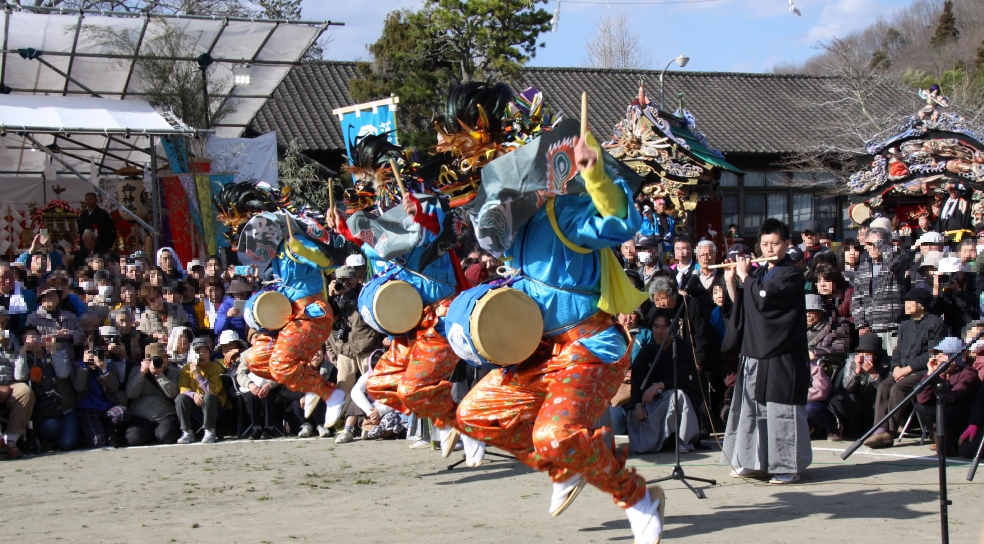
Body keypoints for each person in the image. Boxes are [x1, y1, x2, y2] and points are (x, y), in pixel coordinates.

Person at [447, 82, 663, 544]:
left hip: (587, 348)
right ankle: (564, 462)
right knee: (473, 416)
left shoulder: (564, 211)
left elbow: (622, 222)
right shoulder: (514, 224)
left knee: (553, 433)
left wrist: (595, 174)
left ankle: (637, 495)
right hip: (536, 351)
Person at [721, 218, 811, 484]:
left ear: (786, 245)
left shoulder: (792, 274)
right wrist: (732, 283)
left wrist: (746, 277)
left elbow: (765, 298)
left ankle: (786, 466)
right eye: (764, 243)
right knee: (751, 409)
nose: (769, 248)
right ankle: (751, 461)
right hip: (755, 351)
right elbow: (747, 307)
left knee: (780, 411)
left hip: (783, 354)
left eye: (775, 243)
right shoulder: (759, 274)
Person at [864, 287, 946, 449]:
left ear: (921, 304)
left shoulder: (936, 323)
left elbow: (932, 354)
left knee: (898, 388)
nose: (906, 305)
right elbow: (898, 351)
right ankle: (879, 429)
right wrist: (896, 367)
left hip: (923, 371)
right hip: (902, 370)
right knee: (884, 386)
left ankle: (890, 433)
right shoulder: (904, 325)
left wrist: (907, 369)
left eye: (910, 302)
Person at [627, 310, 700, 454]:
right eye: (656, 327)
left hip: (675, 398)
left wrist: (660, 385)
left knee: (678, 396)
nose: (659, 331)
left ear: (672, 330)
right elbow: (637, 381)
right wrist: (638, 405)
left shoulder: (683, 348)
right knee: (637, 430)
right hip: (652, 403)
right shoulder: (647, 351)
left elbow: (686, 376)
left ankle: (683, 440)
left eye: (664, 327)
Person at [913, 337, 980, 456]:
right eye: (937, 354)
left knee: (945, 410)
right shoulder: (939, 373)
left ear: (955, 358)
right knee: (922, 408)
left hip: (963, 416)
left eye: (943, 355)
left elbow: (950, 398)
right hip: (946, 412)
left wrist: (941, 377)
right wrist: (931, 374)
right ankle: (940, 440)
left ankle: (950, 444)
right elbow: (922, 399)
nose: (938, 358)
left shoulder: (968, 375)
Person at [16, 325, 77, 451]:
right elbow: (20, 376)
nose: (33, 340)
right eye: (28, 337)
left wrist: (53, 351)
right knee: (51, 426)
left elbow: (63, 373)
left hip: (66, 407)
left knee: (67, 444)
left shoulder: (57, 352)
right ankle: (47, 442)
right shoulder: (24, 359)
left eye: (35, 336)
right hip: (45, 411)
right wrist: (23, 351)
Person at [852, 227, 906, 356]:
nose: (874, 247)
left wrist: (880, 243)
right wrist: (861, 325)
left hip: (892, 327)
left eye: (878, 244)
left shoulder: (897, 261)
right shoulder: (863, 268)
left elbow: (894, 262)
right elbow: (856, 299)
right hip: (870, 329)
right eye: (870, 244)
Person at [803, 295, 850, 440]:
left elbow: (841, 349)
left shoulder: (836, 326)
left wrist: (816, 352)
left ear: (820, 312)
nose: (808, 315)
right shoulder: (799, 330)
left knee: (811, 407)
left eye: (811, 311)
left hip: (824, 372)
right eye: (805, 312)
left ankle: (833, 427)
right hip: (802, 372)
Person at [123, 343, 180, 446]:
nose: (162, 361)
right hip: (141, 416)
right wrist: (141, 375)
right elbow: (130, 394)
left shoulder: (173, 372)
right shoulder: (136, 371)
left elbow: (172, 393)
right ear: (147, 360)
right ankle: (148, 434)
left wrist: (159, 375)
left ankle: (156, 433)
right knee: (134, 438)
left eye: (164, 357)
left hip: (165, 415)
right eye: (157, 358)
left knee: (167, 436)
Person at [176, 338, 227, 444]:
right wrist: (193, 395)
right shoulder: (186, 368)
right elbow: (183, 388)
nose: (202, 355)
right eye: (198, 351)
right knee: (180, 399)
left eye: (205, 351)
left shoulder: (215, 367)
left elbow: (213, 391)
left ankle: (209, 430)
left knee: (208, 397)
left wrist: (198, 376)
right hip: (195, 400)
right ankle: (187, 431)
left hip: (213, 400)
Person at [0, 306, 35, 457]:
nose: (2, 325)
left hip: (9, 381)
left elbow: (20, 375)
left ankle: (11, 440)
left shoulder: (11, 337)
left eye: (3, 321)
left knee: (25, 391)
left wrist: (8, 348)